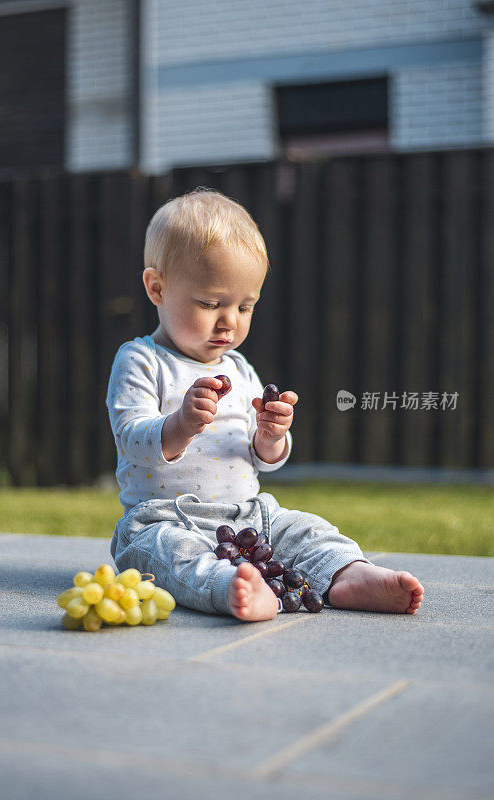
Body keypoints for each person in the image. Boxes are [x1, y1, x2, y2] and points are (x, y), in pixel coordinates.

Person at [106, 188, 424, 621]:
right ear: (157, 287)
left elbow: (262, 459)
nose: (229, 321)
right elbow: (130, 438)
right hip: (165, 518)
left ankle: (349, 575)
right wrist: (179, 424)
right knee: (164, 554)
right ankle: (231, 586)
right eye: (211, 303)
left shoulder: (239, 368)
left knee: (310, 530)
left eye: (245, 306)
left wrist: (271, 437)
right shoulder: (141, 360)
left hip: (252, 518)